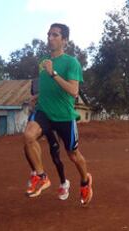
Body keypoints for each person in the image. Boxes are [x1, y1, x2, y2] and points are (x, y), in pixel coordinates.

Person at [24, 23, 93, 206]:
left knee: (73, 155)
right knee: (29, 135)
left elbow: (73, 90)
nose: (50, 38)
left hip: (64, 116)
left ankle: (85, 181)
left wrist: (53, 72)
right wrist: (37, 97)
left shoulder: (71, 63)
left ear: (65, 40)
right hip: (44, 111)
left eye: (55, 35)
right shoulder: (43, 61)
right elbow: (49, 87)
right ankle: (41, 176)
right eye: (49, 34)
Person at [24, 79, 69, 200]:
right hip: (39, 118)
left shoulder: (54, 78)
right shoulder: (35, 82)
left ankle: (64, 183)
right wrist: (32, 102)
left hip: (52, 121)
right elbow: (32, 98)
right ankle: (36, 174)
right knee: (28, 143)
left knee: (55, 156)